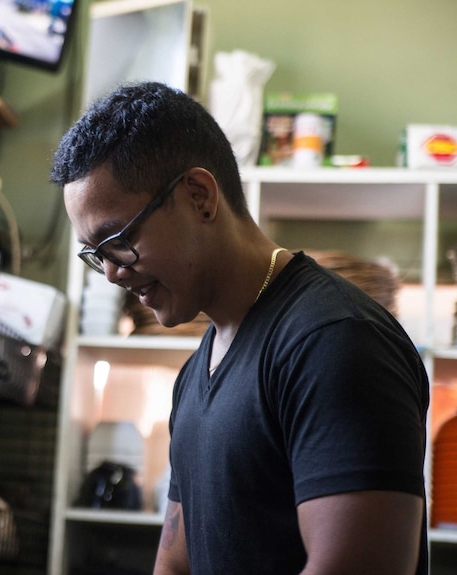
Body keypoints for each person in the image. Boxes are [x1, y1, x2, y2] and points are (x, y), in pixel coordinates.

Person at [50, 81, 429, 574]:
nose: (112, 272)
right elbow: (176, 564)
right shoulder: (194, 375)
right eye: (94, 255)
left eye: (118, 240)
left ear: (200, 197)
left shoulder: (335, 340)